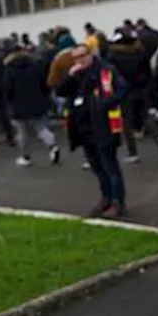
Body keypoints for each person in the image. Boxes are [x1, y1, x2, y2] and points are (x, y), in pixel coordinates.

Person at [56, 44, 129, 217]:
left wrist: (103, 105)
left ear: (90, 54)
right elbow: (61, 91)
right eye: (76, 57)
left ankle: (118, 202)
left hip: (103, 124)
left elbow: (122, 89)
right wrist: (69, 76)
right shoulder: (76, 74)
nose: (80, 60)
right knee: (96, 166)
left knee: (110, 165)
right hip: (84, 126)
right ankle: (106, 197)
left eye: (83, 56)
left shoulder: (105, 70)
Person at [106, 29, 158, 162]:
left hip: (124, 92)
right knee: (145, 116)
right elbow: (148, 73)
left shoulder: (113, 57)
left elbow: (111, 76)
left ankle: (132, 152)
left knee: (127, 121)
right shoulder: (141, 53)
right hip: (141, 89)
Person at [4, 41, 62, 167]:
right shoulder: (35, 65)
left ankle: (25, 156)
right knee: (41, 128)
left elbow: (8, 89)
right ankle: (52, 146)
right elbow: (44, 83)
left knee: (22, 132)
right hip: (37, 101)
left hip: (18, 104)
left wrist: (9, 102)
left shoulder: (10, 69)